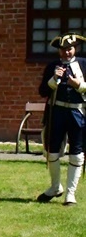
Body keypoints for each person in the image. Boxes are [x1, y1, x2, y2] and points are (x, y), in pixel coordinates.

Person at [38, 33, 86, 205]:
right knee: (51, 151)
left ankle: (70, 193)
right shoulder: (52, 66)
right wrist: (53, 79)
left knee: (77, 153)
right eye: (63, 49)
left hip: (77, 114)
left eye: (70, 49)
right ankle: (55, 187)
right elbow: (43, 91)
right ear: (59, 50)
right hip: (56, 113)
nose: (67, 52)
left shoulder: (84, 64)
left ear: (75, 49)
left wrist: (79, 85)